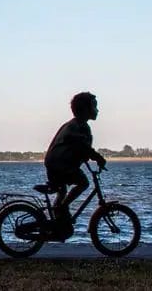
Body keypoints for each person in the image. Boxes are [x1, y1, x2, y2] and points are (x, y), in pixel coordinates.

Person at [44, 92, 106, 232]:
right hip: (60, 165)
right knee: (83, 183)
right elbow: (83, 146)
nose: (97, 110)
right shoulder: (77, 127)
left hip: (55, 164)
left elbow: (82, 149)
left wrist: (91, 156)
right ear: (85, 110)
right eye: (94, 107)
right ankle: (62, 210)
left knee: (62, 191)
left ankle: (59, 220)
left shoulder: (76, 125)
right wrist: (98, 158)